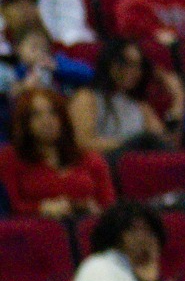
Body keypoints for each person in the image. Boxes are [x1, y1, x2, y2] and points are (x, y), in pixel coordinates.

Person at [1, 81, 114, 215]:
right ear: (24, 123)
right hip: (35, 229)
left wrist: (93, 210)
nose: (46, 121)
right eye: (36, 115)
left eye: (53, 113)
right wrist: (41, 208)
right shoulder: (9, 158)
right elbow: (10, 208)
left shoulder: (91, 159)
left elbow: (109, 208)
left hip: (87, 226)